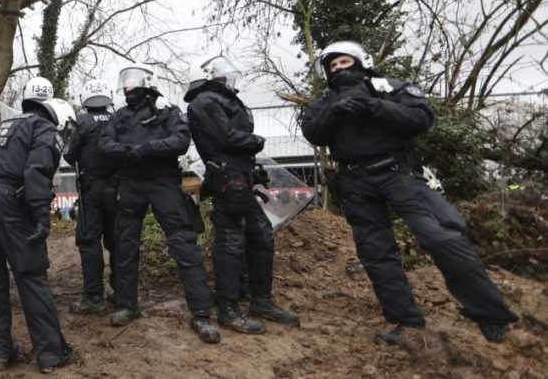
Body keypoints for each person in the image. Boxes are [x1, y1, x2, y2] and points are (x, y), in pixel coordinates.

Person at [300, 40, 519, 344]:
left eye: (344, 62)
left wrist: (374, 106)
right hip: (354, 182)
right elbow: (313, 132)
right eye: (332, 65)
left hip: (399, 173)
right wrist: (335, 112)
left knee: (441, 236)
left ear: (362, 60)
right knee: (376, 254)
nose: (338, 68)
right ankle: (407, 323)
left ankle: (490, 312)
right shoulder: (324, 102)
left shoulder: (390, 87)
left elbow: (421, 119)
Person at [99, 64, 221, 344]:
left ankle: (201, 313)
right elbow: (104, 144)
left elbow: (181, 140)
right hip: (130, 185)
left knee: (183, 244)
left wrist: (149, 149)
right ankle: (127, 304)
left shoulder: (166, 110)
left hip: (163, 183)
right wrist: (128, 152)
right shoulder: (119, 116)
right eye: (124, 82)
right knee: (125, 246)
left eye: (132, 82)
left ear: (146, 83)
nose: (128, 87)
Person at [0, 79, 76, 373]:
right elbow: (37, 170)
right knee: (30, 275)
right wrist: (41, 215)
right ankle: (52, 354)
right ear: (57, 117)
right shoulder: (45, 129)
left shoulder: (0, 128)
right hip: (8, 200)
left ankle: (0, 353)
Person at [185, 56, 298, 335]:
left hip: (241, 177)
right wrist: (256, 141)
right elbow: (226, 137)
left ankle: (260, 300)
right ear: (213, 76)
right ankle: (228, 308)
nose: (232, 80)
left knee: (261, 236)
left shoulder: (223, 100)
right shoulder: (205, 101)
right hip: (227, 179)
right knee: (230, 243)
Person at [63, 79, 118, 315]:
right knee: (118, 241)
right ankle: (122, 292)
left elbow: (69, 156)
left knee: (89, 241)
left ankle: (94, 297)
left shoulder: (82, 120)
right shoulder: (118, 119)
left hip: (92, 189)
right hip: (118, 189)